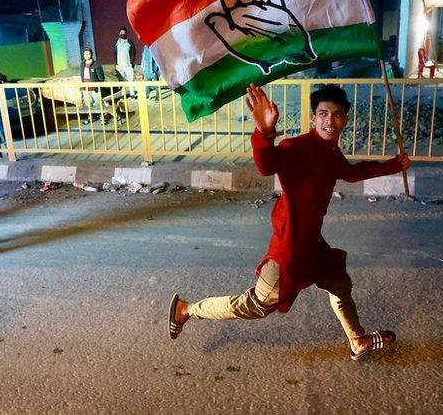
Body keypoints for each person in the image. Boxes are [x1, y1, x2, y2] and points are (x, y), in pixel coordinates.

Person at [168, 84, 411, 361]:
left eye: (337, 115)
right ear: (313, 118)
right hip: (291, 247)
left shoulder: (330, 151)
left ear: (344, 119)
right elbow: (266, 164)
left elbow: (351, 173)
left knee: (340, 284)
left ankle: (357, 340)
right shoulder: (297, 147)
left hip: (312, 243)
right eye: (323, 114)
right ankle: (187, 310)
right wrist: (265, 133)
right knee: (256, 305)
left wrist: (393, 165)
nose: (330, 121)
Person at [114, 27, 136, 96]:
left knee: (131, 80)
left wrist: (132, 63)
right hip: (119, 66)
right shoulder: (116, 43)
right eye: (121, 33)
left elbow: (133, 53)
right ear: (119, 33)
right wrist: (115, 64)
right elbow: (114, 53)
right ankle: (122, 94)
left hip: (128, 65)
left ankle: (132, 94)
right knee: (121, 81)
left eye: (124, 33)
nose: (122, 34)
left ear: (126, 34)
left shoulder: (129, 43)